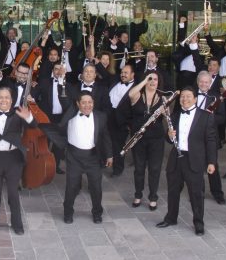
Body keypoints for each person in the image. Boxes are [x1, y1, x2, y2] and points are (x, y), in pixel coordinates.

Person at [157, 86, 218, 235]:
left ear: (195, 99)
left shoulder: (206, 116)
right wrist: (169, 135)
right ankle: (171, 218)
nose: (185, 99)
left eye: (188, 96)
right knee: (173, 190)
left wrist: (211, 162)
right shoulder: (176, 115)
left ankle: (198, 223)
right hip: (177, 159)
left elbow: (211, 140)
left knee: (196, 193)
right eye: (182, 96)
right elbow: (169, 138)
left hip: (194, 159)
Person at [0, 87, 35, 235]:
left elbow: (34, 126)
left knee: (13, 193)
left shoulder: (18, 113)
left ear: (12, 100)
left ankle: (17, 224)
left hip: (13, 158)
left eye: (7, 97)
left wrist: (28, 117)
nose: (4, 100)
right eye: (0, 97)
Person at [57, 92, 113, 224]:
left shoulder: (101, 116)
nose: (87, 105)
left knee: (96, 187)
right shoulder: (70, 114)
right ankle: (68, 213)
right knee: (72, 187)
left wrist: (110, 155)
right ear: (77, 104)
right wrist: (61, 81)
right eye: (84, 102)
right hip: (74, 156)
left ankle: (97, 213)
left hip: (93, 156)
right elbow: (63, 97)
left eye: (90, 102)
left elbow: (105, 136)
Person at [126, 71, 167, 210]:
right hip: (139, 138)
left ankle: (153, 197)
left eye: (155, 79)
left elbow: (168, 119)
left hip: (156, 139)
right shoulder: (138, 95)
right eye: (150, 79)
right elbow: (130, 94)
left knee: (155, 169)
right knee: (139, 168)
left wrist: (165, 113)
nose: (152, 81)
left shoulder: (163, 98)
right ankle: (138, 195)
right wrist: (144, 81)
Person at [195, 71, 226, 204]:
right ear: (198, 82)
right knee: (195, 166)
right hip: (194, 136)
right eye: (201, 81)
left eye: (206, 82)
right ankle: (198, 192)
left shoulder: (216, 97)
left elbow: (222, 118)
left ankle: (217, 193)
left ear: (210, 83)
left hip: (209, 136)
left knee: (212, 165)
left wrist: (210, 116)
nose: (203, 84)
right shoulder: (191, 95)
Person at [107, 63, 135, 177]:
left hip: (122, 121)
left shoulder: (136, 89)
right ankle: (105, 161)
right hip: (109, 116)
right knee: (106, 141)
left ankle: (118, 168)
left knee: (117, 145)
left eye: (126, 73)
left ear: (132, 74)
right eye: (122, 72)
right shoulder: (114, 82)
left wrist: (129, 124)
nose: (123, 75)